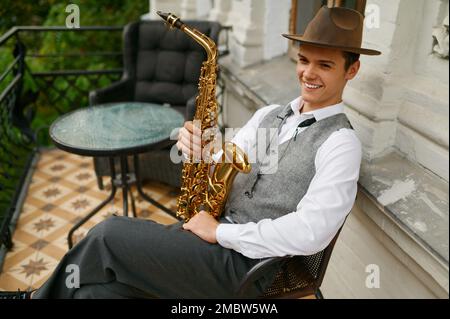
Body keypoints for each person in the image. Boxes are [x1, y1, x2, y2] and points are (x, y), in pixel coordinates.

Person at [0, 6, 380, 299]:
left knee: (109, 234)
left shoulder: (340, 144)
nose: (308, 73)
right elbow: (226, 165)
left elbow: (311, 232)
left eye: (325, 65)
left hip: (250, 268)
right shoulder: (270, 115)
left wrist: (221, 233)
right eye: (303, 60)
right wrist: (198, 152)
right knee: (93, 293)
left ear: (352, 70)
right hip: (214, 243)